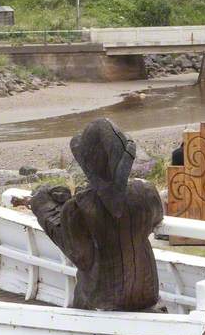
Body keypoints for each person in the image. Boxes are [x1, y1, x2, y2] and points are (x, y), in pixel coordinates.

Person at [29, 119, 165, 311]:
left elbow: (79, 254)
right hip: (146, 294)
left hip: (102, 299)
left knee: (83, 296)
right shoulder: (146, 193)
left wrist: (43, 206)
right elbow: (155, 219)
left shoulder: (79, 208)